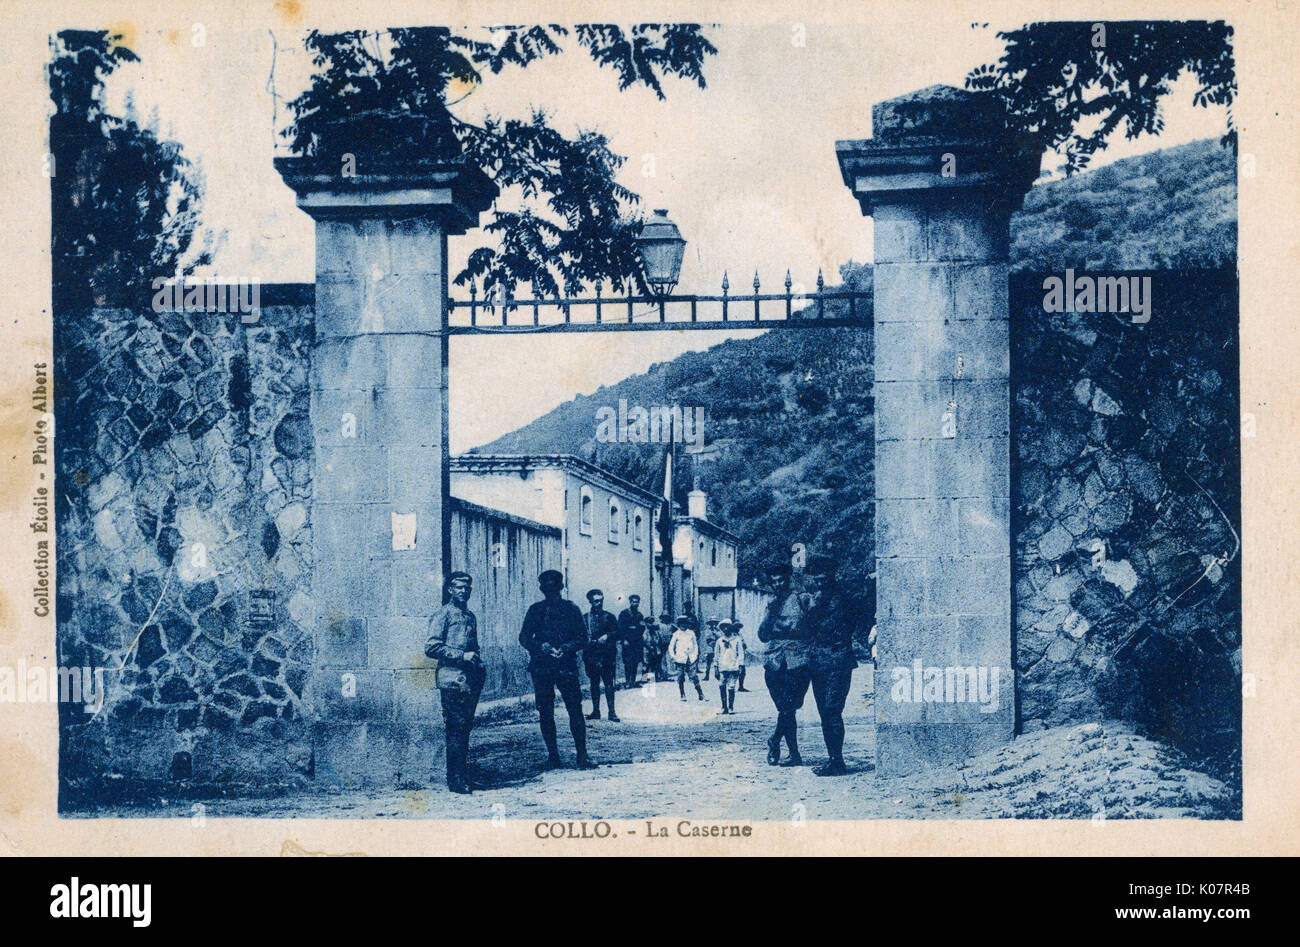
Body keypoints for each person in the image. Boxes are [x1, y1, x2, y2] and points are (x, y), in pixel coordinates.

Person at [519, 570, 595, 770]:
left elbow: (582, 637)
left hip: (566, 666)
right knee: (545, 711)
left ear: (561, 588)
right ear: (542, 589)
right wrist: (540, 646)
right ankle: (553, 755)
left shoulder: (572, 609)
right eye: (547, 588)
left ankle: (582, 755)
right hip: (542, 668)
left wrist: (567, 648)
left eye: (554, 588)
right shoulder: (535, 610)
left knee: (575, 710)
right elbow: (524, 637)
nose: (550, 592)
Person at [425, 571, 486, 794]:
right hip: (451, 679)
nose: (463, 591)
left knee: (465, 729)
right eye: (459, 587)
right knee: (455, 729)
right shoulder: (443, 615)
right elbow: (431, 647)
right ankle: (455, 780)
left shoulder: (469, 616)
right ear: (450, 589)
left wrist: (477, 665)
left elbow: (474, 647)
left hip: (469, 680)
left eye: (467, 587)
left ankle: (464, 776)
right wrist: (461, 656)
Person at [804, 555, 863, 776]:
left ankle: (837, 761)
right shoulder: (817, 598)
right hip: (819, 661)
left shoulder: (844, 597)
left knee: (832, 710)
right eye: (816, 575)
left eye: (823, 574)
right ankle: (833, 759)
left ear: (831, 574)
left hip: (838, 659)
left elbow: (849, 622)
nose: (820, 579)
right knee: (824, 712)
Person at [757, 561, 813, 767]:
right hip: (774, 662)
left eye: (781, 580)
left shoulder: (803, 599)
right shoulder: (770, 605)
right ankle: (793, 753)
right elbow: (762, 635)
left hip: (798, 661)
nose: (778, 585)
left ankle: (775, 741)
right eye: (774, 582)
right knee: (785, 709)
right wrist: (771, 615)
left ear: (788, 579)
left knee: (789, 708)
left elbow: (813, 627)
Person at [583, 589, 620, 721]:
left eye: (601, 600)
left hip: (607, 655)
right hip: (592, 655)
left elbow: (618, 632)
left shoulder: (610, 617)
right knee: (594, 683)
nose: (599, 603)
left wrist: (607, 636)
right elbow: (580, 635)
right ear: (590, 602)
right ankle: (596, 711)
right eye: (596, 601)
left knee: (609, 683)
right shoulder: (585, 618)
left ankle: (612, 712)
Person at [667, 615, 705, 702]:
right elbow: (671, 646)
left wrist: (694, 656)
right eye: (682, 623)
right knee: (680, 677)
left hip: (690, 658)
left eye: (685, 623)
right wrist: (673, 657)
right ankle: (682, 694)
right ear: (679, 624)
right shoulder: (676, 634)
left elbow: (695, 645)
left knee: (694, 676)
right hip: (680, 659)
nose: (684, 625)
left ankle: (700, 693)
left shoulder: (691, 633)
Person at [713, 620, 746, 714]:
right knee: (721, 685)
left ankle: (731, 707)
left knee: (731, 687)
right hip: (723, 667)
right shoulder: (719, 641)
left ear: (731, 628)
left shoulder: (737, 640)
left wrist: (740, 666)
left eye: (727, 626)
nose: (725, 629)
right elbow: (716, 655)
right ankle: (724, 707)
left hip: (733, 666)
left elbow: (740, 654)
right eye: (723, 627)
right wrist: (715, 667)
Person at [617, 594, 647, 687]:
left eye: (637, 602)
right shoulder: (624, 613)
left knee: (635, 661)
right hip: (627, 641)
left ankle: (633, 681)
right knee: (628, 661)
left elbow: (642, 627)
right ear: (630, 602)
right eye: (633, 601)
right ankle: (627, 681)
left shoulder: (639, 615)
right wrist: (624, 639)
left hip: (637, 641)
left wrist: (636, 630)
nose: (635, 603)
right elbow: (621, 628)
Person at [733, 620, 750, 691]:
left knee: (742, 672)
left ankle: (741, 686)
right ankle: (731, 686)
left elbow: (744, 645)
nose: (738, 628)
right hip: (733, 655)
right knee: (733, 672)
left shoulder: (740, 635)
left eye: (739, 627)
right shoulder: (732, 635)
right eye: (736, 626)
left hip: (741, 655)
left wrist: (744, 646)